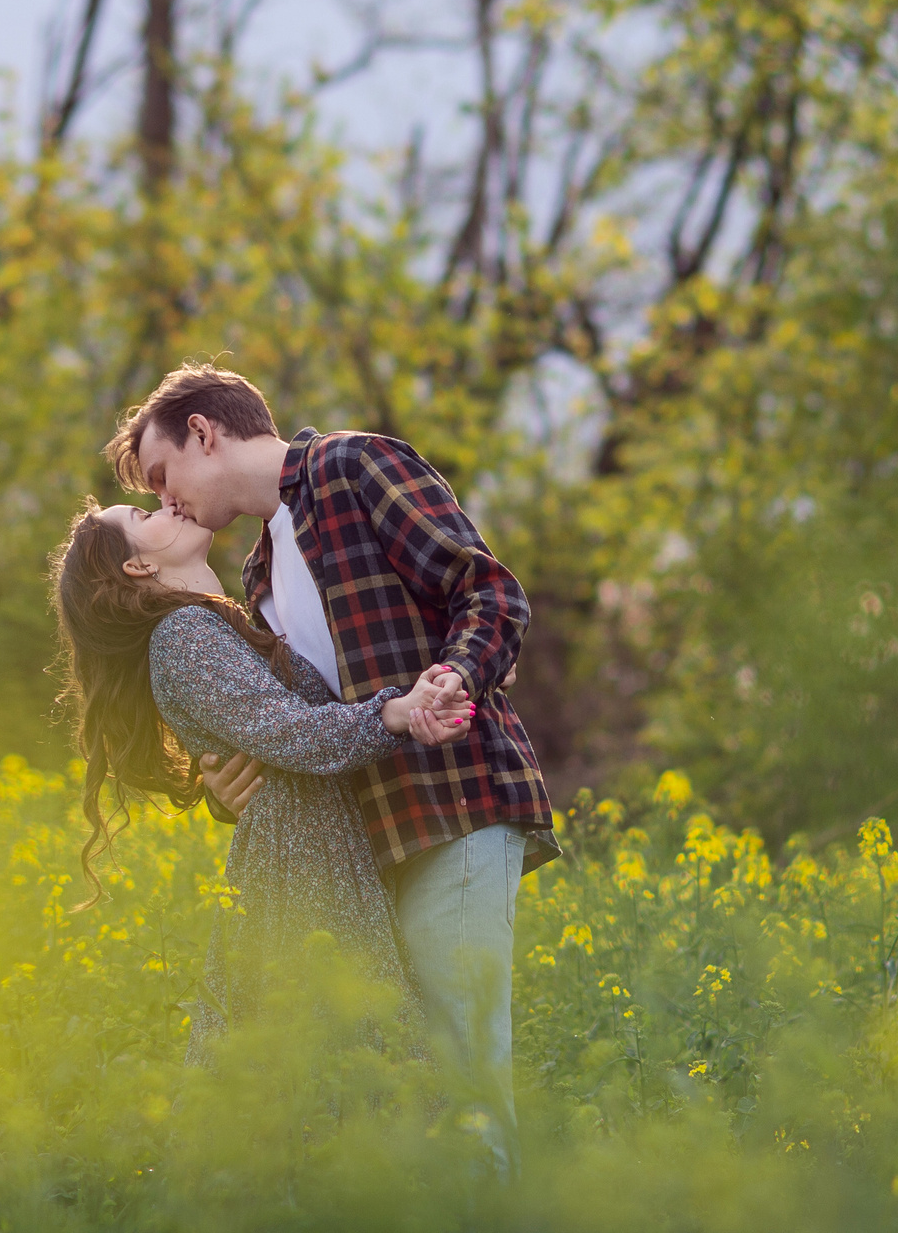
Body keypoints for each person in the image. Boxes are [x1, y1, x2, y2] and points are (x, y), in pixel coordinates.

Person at [105, 362, 559, 1166]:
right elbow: (291, 730)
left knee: (460, 1081)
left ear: (204, 433)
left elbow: (489, 593)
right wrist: (223, 785)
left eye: (163, 475)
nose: (164, 500)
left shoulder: (355, 467)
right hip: (362, 850)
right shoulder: (256, 574)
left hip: (449, 808)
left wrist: (451, 677)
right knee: (403, 1102)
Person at [50, 497, 476, 1062]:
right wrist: (394, 713)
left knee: (346, 1055)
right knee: (349, 1055)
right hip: (298, 857)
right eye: (142, 516)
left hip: (314, 844)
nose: (166, 507)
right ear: (138, 566)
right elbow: (288, 733)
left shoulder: (216, 623)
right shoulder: (181, 635)